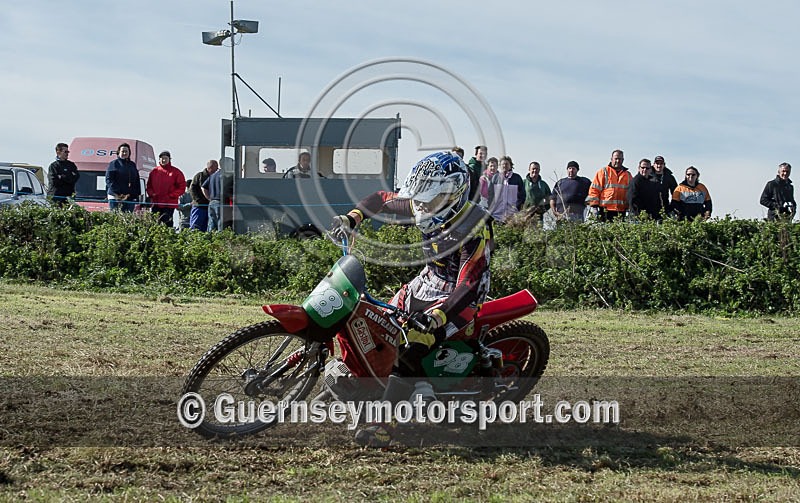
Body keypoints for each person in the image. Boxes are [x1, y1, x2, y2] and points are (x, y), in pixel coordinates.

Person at [332, 151, 492, 447]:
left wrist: (438, 317)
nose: (420, 206)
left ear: (452, 195)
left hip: (459, 295)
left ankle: (385, 425)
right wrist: (352, 217)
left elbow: (469, 283)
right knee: (386, 326)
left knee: (414, 342)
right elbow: (382, 199)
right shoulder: (424, 203)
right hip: (428, 280)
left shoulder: (474, 226)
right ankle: (398, 383)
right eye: (419, 199)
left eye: (428, 200)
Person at [586, 149, 633, 222]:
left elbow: (631, 193)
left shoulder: (628, 175)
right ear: (611, 159)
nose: (618, 161)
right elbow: (594, 190)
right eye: (616, 159)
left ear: (623, 160)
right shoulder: (603, 172)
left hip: (621, 211)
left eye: (620, 159)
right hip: (605, 210)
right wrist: (594, 206)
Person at [146, 151, 186, 226]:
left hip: (169, 203)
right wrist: (152, 194)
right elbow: (149, 186)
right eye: (162, 158)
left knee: (168, 223)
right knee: (154, 223)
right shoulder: (154, 171)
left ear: (169, 159)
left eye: (166, 158)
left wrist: (171, 195)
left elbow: (182, 187)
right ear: (159, 159)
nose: (164, 160)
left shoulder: (176, 172)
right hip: (156, 202)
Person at [487, 155, 525, 223]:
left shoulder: (517, 178)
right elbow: (490, 195)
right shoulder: (495, 178)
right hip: (496, 215)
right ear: (500, 166)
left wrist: (517, 208)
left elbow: (522, 196)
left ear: (510, 165)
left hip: (512, 216)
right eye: (503, 164)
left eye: (507, 164)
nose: (504, 166)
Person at [105, 142, 140, 212]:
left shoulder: (132, 165)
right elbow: (109, 180)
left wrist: (136, 194)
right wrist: (119, 193)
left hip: (129, 198)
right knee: (116, 216)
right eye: (122, 151)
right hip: (115, 197)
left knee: (128, 217)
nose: (124, 153)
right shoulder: (113, 164)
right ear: (118, 152)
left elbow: (137, 181)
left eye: (126, 151)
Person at [190, 160, 218, 230]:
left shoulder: (215, 176)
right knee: (196, 226)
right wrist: (197, 199)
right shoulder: (199, 176)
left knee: (206, 226)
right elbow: (192, 188)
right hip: (199, 206)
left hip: (209, 206)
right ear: (210, 168)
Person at [202, 166, 222, 231]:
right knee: (221, 224)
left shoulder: (212, 176)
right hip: (222, 202)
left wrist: (209, 198)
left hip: (212, 202)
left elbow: (203, 187)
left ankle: (210, 236)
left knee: (211, 223)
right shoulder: (226, 176)